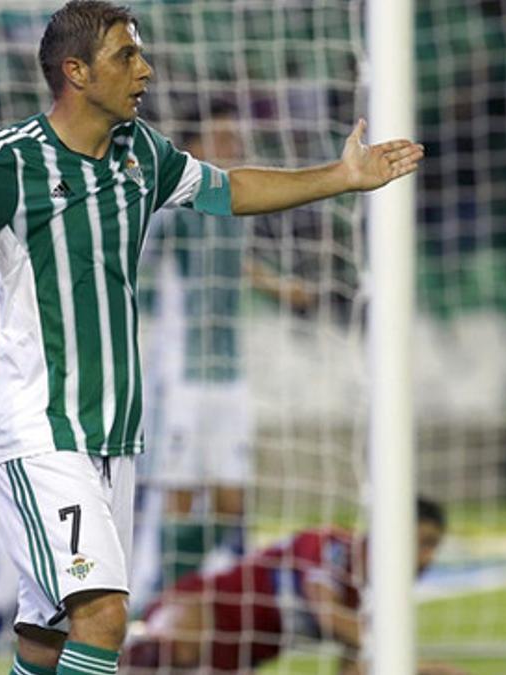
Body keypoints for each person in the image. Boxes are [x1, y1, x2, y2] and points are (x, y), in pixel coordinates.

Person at [0, 2, 424, 673]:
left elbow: (229, 190)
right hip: (40, 429)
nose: (144, 68)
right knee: (105, 612)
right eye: (126, 55)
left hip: (115, 433)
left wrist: (342, 175)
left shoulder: (141, 154)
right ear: (77, 71)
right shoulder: (13, 160)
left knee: (46, 632)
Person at [141, 99, 315, 588]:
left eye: (235, 139)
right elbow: (137, 253)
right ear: (194, 148)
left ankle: (219, 588)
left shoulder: (235, 208)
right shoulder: (173, 208)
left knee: (232, 494)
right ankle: (164, 592)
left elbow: (235, 263)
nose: (231, 147)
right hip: (180, 374)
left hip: (229, 373)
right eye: (220, 138)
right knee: (180, 490)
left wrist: (280, 288)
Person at [121, 498, 466, 675]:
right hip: (201, 611)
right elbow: (328, 614)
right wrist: (406, 659)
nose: (428, 556)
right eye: (423, 542)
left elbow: (354, 670)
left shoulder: (371, 600)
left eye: (435, 546)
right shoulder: (332, 546)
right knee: (165, 655)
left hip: (237, 659)